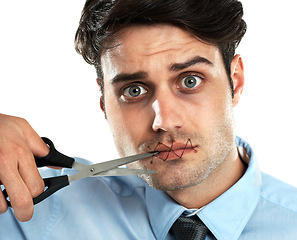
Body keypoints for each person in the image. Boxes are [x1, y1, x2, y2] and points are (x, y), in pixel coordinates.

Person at [0, 0, 297, 239]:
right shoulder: (32, 204)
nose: (164, 121)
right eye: (134, 90)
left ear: (236, 81)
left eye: (190, 81)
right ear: (104, 103)